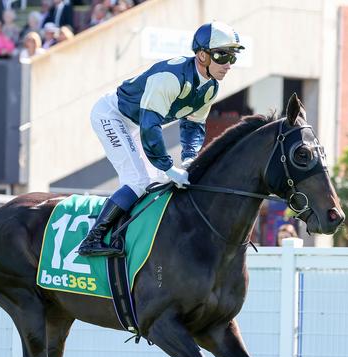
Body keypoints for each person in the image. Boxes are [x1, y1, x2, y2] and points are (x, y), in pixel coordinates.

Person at [78, 21, 244, 256]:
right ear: (201, 55)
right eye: (221, 56)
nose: (228, 64)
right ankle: (92, 238)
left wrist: (189, 159)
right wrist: (168, 165)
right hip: (111, 115)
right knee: (137, 180)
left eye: (232, 58)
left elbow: (193, 124)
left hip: (135, 123)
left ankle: (134, 235)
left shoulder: (210, 87)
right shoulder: (170, 78)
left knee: (155, 182)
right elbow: (150, 126)